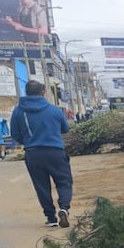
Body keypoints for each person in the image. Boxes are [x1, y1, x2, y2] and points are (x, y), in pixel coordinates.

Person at [10, 80, 73, 228]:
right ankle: (64, 208)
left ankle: (51, 218)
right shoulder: (54, 110)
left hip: (33, 154)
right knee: (64, 182)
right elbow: (65, 129)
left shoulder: (19, 111)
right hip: (55, 152)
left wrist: (28, 140)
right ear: (43, 92)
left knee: (41, 186)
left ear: (26, 92)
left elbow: (15, 134)